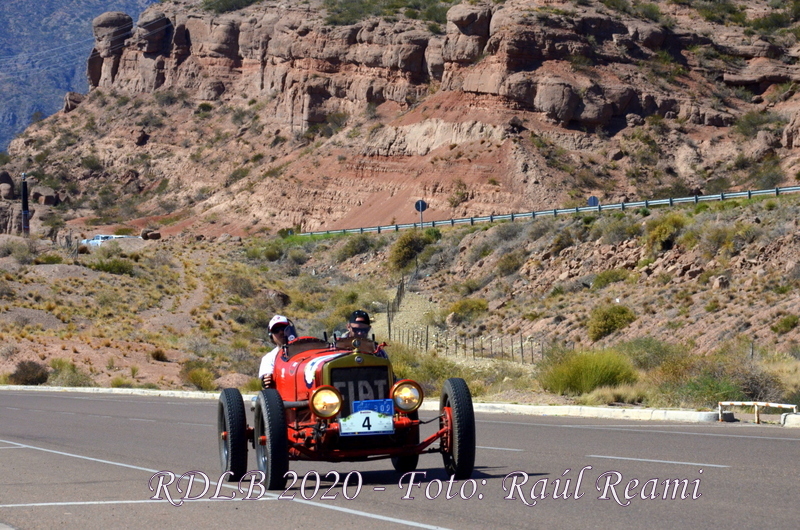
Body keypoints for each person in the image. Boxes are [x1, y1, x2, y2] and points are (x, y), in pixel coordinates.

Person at [258, 315, 297, 388]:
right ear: (271, 335)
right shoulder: (268, 358)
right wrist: (267, 380)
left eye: (284, 328)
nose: (281, 332)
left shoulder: (304, 349)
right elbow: (267, 382)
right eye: (276, 330)